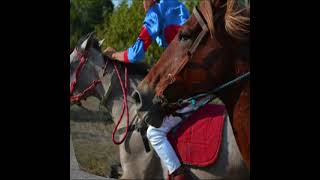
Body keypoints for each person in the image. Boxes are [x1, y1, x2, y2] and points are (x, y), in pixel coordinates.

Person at [104, 0, 190, 179]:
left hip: (183, 83)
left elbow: (136, 54)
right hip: (194, 77)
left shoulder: (155, 12)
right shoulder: (179, 6)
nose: (142, 3)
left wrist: (113, 55)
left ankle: (177, 172)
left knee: (154, 132)